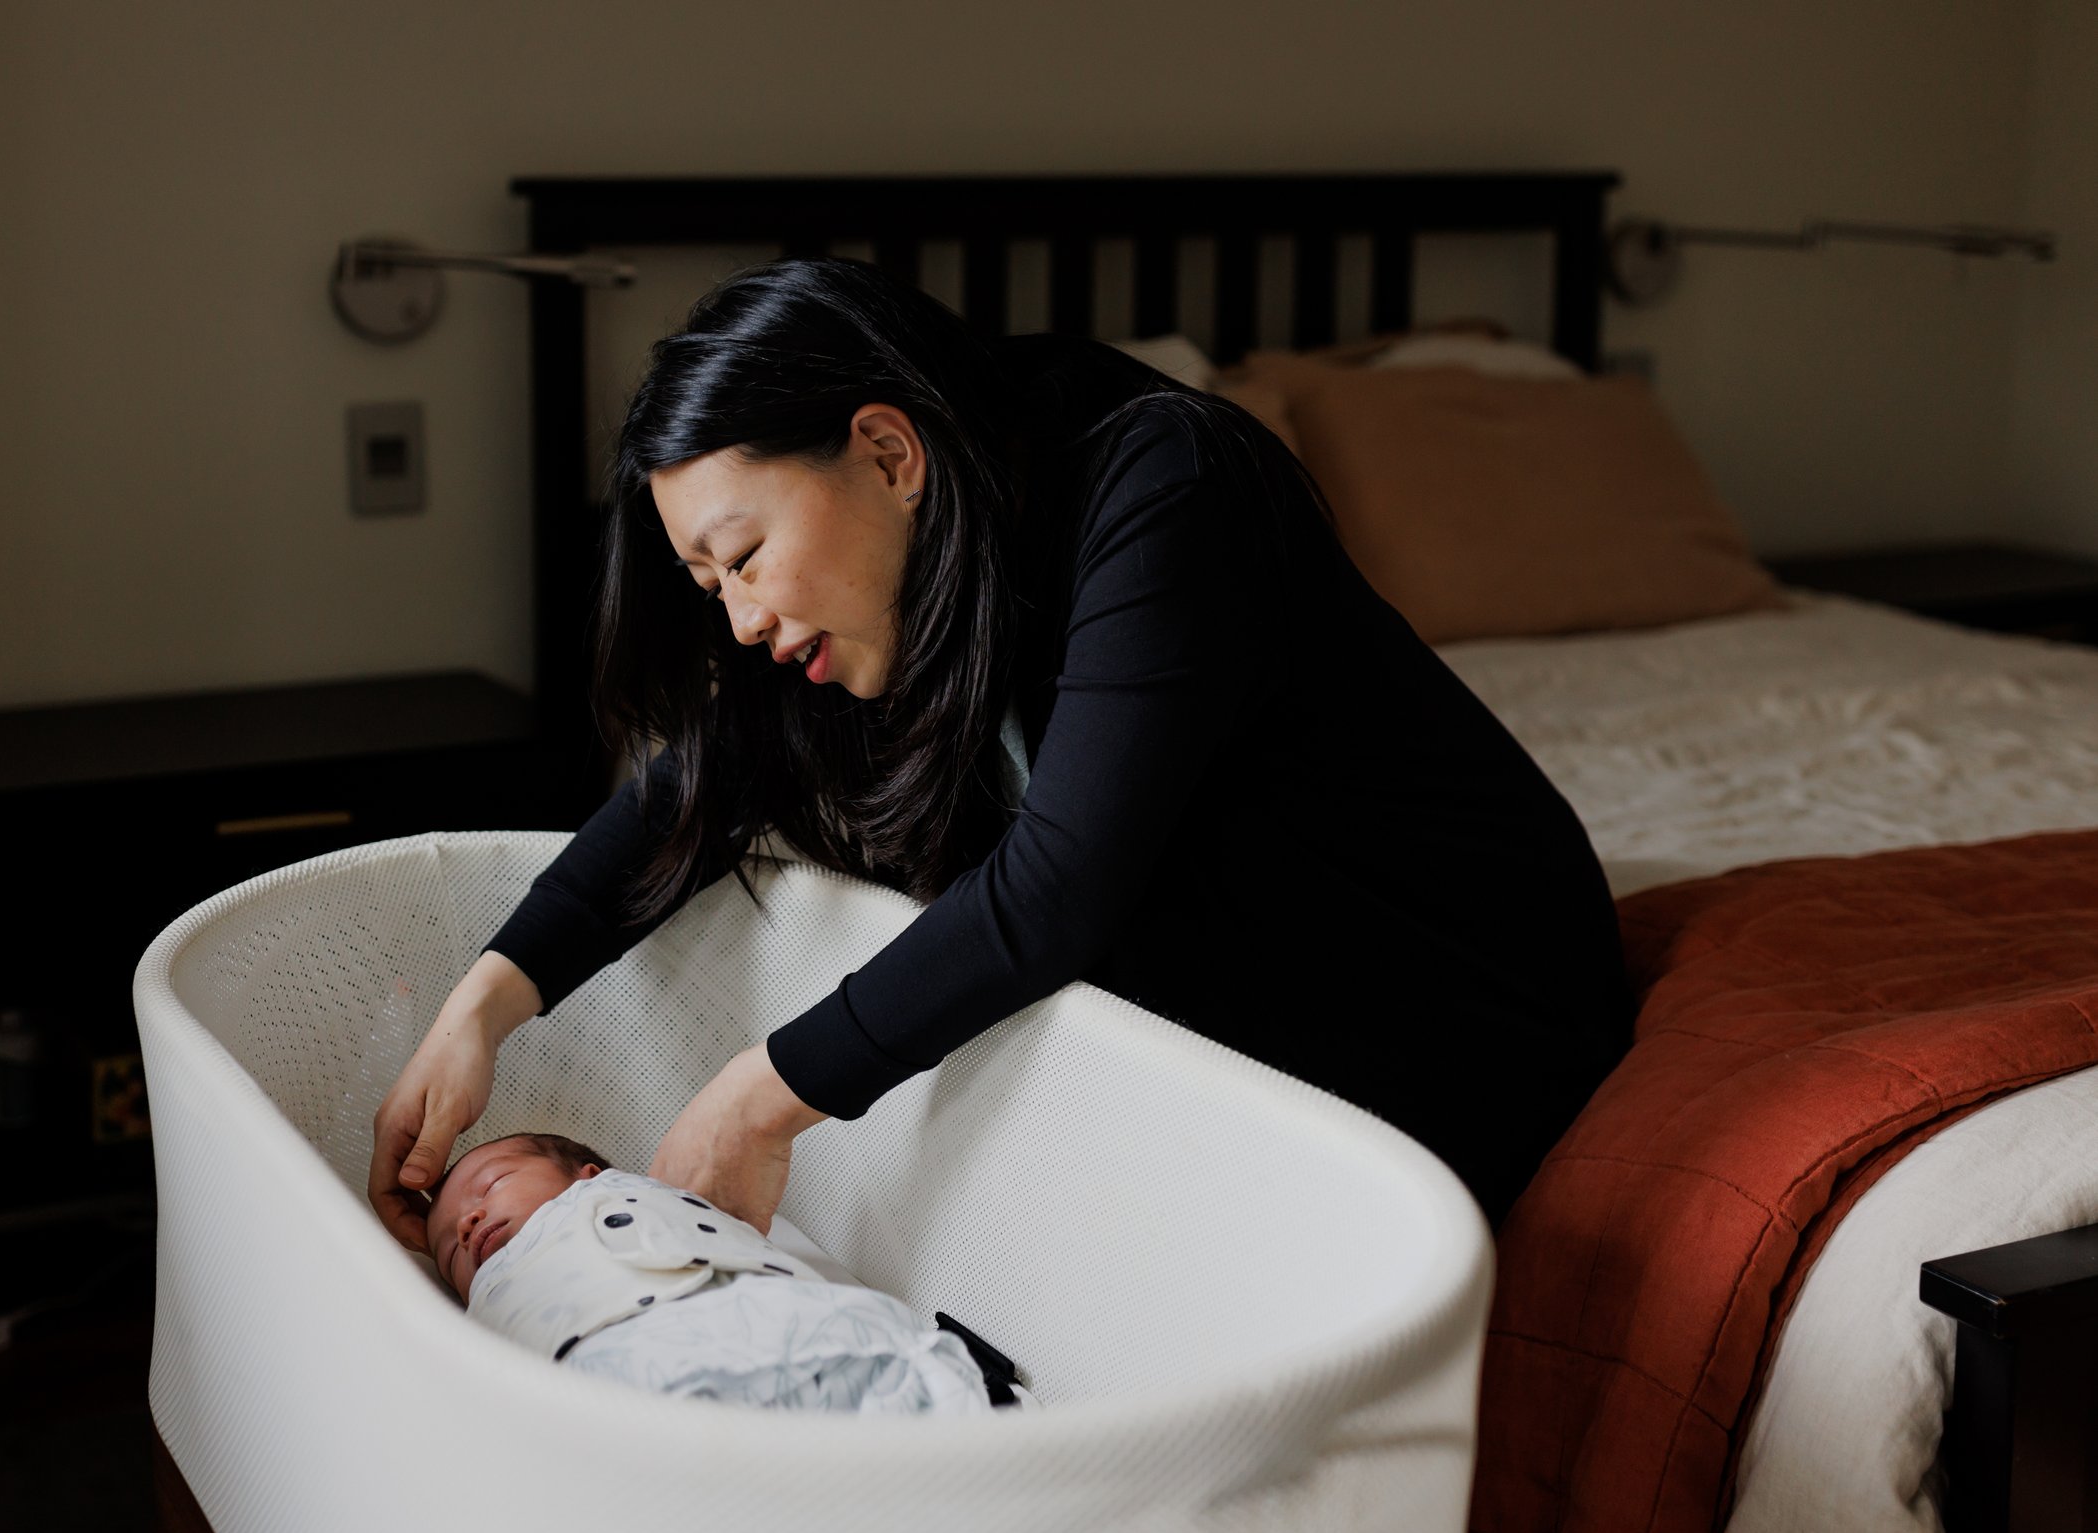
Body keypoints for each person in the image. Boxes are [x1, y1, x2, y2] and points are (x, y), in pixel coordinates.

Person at [370, 257, 1631, 1243]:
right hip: (1288, 982)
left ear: (886, 452)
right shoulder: (909, 569)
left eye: (745, 558)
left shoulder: (1162, 486)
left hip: (1466, 997)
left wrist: (759, 1098)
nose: (742, 619)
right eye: (710, 584)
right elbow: (701, 778)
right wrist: (487, 1002)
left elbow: (1057, 886)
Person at [425, 1130, 994, 1413]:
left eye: (492, 1184)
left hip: (754, 1318)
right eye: (451, 1254)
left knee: (874, 1363)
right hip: (619, 1392)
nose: (468, 1225)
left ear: (588, 1175)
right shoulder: (484, 1317)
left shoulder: (609, 1198)